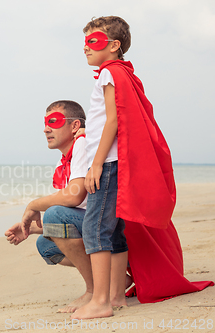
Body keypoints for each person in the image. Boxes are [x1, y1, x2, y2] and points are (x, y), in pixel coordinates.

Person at [72, 16, 213, 320]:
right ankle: (114, 297)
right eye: (84, 41)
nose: (85, 47)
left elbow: (113, 120)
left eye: (92, 41)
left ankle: (100, 302)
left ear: (114, 46)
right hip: (115, 163)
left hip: (107, 163)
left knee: (94, 229)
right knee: (116, 229)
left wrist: (95, 164)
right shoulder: (118, 73)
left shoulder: (110, 73)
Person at [5, 100, 92, 313]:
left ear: (74, 126)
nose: (46, 128)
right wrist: (34, 229)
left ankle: (94, 290)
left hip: (114, 226)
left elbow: (74, 197)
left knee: (53, 213)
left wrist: (33, 205)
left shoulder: (83, 143)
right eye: (45, 123)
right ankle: (114, 279)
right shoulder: (64, 160)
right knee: (46, 246)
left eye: (53, 121)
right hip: (92, 223)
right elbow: (77, 208)